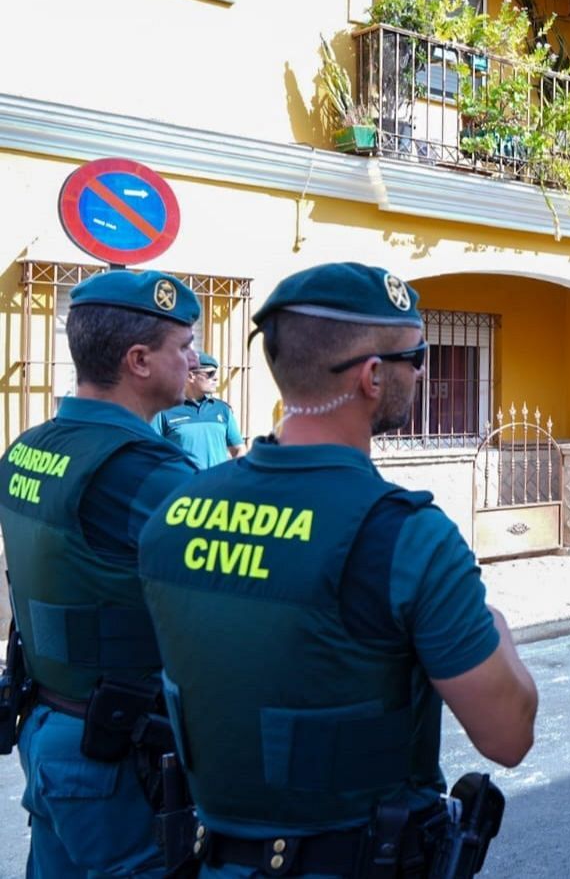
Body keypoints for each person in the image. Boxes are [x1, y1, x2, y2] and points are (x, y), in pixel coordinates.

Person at [137, 263, 539, 875]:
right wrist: (499, 629)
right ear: (373, 376)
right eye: (416, 356)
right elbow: (508, 738)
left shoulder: (174, 511)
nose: (423, 371)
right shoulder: (408, 536)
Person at [0, 269, 202, 877]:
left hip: (50, 728)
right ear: (139, 360)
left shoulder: (29, 446)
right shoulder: (147, 475)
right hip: (112, 754)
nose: (194, 359)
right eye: (184, 346)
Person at [152, 351, 245, 468]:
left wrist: (232, 477)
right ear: (190, 376)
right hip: (183, 485)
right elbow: (150, 452)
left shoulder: (222, 410)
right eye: (209, 374)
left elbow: (239, 450)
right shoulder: (165, 410)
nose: (216, 378)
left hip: (217, 485)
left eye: (215, 373)